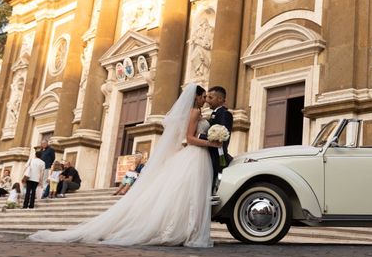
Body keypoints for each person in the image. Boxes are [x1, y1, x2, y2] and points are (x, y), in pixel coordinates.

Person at [29, 83, 220, 247]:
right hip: (195, 155)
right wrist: (212, 142)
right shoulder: (194, 112)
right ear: (196, 96)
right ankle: (184, 231)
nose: (205, 99)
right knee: (190, 195)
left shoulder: (194, 112)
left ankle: (182, 229)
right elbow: (189, 138)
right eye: (203, 96)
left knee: (187, 195)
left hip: (194, 157)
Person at [205, 85, 234, 191]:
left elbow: (223, 136)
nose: (207, 101)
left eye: (210, 97)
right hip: (209, 153)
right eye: (207, 97)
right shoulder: (214, 114)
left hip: (217, 156)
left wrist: (198, 136)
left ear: (220, 99)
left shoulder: (225, 114)